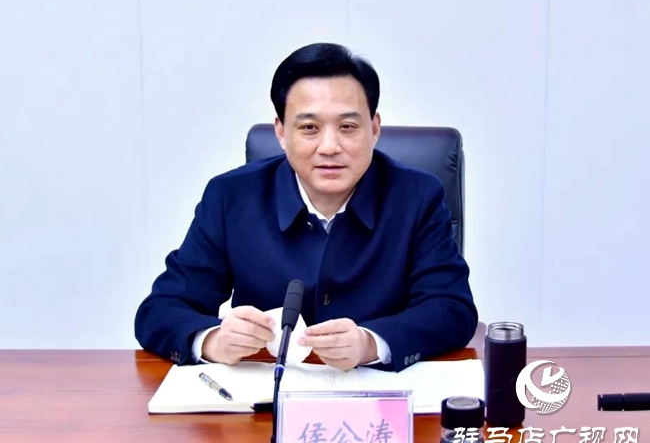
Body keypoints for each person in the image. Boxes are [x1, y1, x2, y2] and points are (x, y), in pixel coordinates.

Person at [134, 42, 478, 373]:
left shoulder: (417, 197)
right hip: (264, 396)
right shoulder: (231, 197)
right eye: (309, 128)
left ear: (374, 129)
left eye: (347, 127)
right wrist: (212, 340)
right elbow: (160, 310)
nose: (329, 147)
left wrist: (371, 344)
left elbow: (451, 309)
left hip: (377, 395)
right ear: (282, 133)